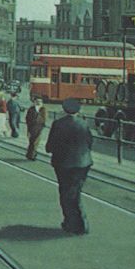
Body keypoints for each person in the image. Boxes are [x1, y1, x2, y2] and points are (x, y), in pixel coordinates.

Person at [45, 97, 93, 235]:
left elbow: (50, 146)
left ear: (64, 109)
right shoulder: (84, 124)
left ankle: (73, 224)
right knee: (75, 192)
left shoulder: (58, 124)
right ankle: (81, 222)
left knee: (65, 193)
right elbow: (90, 142)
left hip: (64, 164)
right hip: (83, 163)